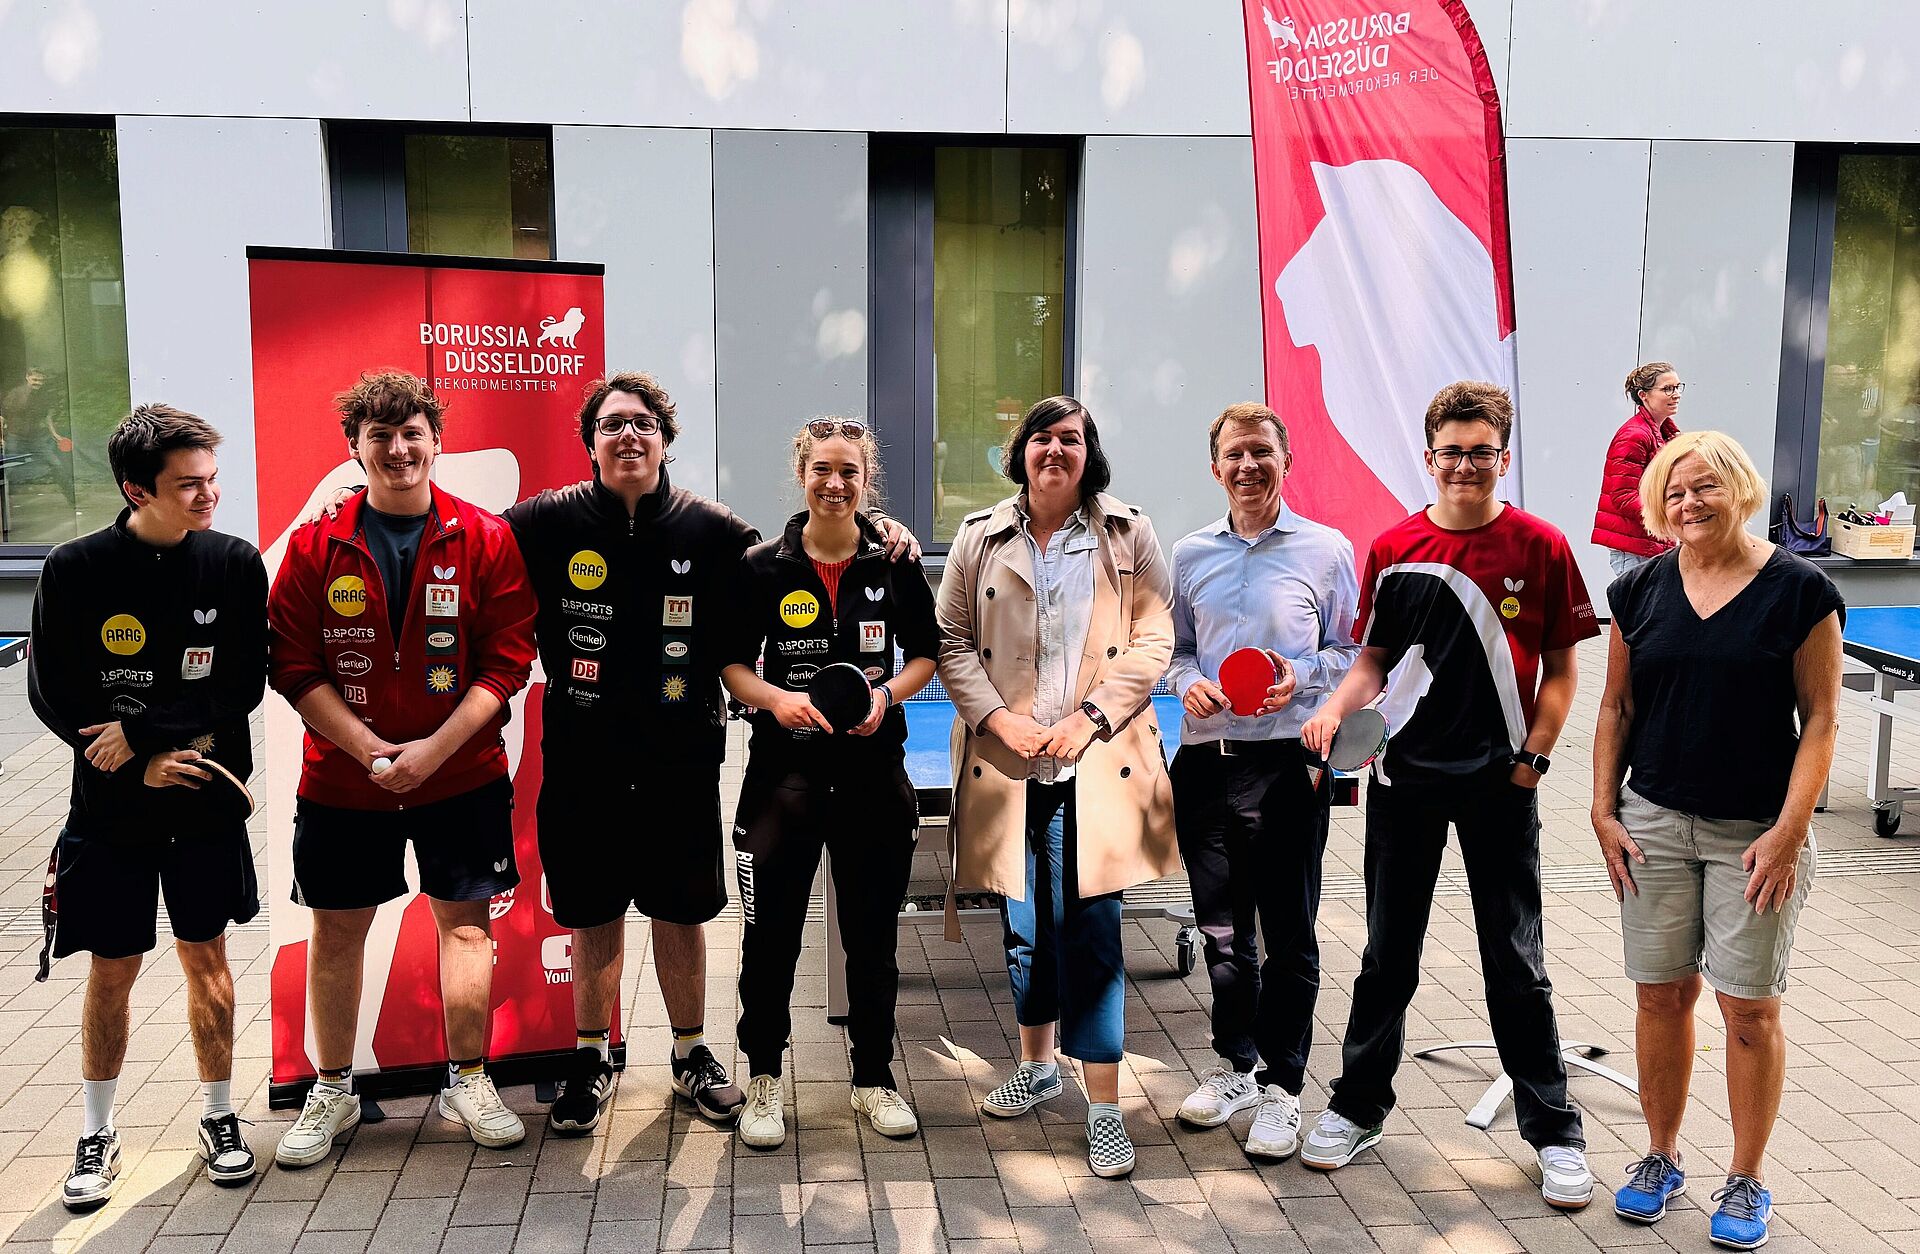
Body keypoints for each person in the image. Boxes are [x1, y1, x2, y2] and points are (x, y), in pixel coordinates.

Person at [303, 372, 923, 1138]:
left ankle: (691, 1054)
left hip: (681, 759)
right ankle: (591, 1058)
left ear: (665, 439)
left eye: (643, 424)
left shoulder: (714, 529)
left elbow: (802, 546)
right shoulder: (543, 520)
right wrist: (356, 501)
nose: (629, 436)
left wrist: (881, 527)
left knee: (680, 912)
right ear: (590, 441)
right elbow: (453, 526)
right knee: (593, 914)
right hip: (583, 758)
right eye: (612, 425)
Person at [1300, 381, 1599, 1210]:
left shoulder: (1541, 545)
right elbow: (1373, 660)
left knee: (1516, 961)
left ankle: (1554, 1132)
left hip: (1502, 785)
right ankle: (1357, 1108)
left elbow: (1565, 669)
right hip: (1404, 784)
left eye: (1481, 452)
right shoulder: (1395, 546)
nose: (1465, 465)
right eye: (1451, 452)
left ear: (1503, 456)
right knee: (1387, 957)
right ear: (1429, 458)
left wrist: (1534, 759)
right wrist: (1334, 710)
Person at [267, 370, 537, 1166]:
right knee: (336, 935)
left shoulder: (484, 537)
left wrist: (432, 751)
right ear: (354, 447)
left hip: (461, 776)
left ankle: (469, 1079)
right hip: (343, 780)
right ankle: (333, 1089)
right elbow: (292, 664)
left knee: (466, 929)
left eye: (412, 433)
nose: (397, 449)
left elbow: (507, 662)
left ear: (437, 442)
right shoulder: (315, 545)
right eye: (379, 436)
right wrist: (369, 749)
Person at [1592, 431, 1840, 1251]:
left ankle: (1746, 1176)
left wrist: (1791, 832)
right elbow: (1616, 707)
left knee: (1749, 1009)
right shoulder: (1638, 590)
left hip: (1755, 836)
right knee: (1661, 997)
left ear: (1739, 489)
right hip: (1653, 825)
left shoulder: (1800, 591)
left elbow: (1822, 720)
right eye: (1673, 491)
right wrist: (1602, 810)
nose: (1688, 503)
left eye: (1704, 487)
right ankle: (1661, 1156)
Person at [29, 405, 268, 1207]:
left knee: (208, 958)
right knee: (112, 968)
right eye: (188, 484)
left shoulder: (234, 563)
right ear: (137, 489)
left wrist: (144, 737)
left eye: (211, 479)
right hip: (111, 810)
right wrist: (137, 765)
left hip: (203, 798)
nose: (209, 496)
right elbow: (52, 692)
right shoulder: (73, 567)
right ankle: (96, 1133)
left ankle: (220, 1116)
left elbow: (240, 683)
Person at [937, 395, 1177, 1179]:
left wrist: (1090, 719)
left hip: (1095, 763)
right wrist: (999, 721)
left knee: (1093, 933)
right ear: (1022, 450)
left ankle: (1104, 1108)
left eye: (1070, 438)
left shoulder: (1129, 533)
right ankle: (1038, 1067)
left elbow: (1154, 639)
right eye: (1041, 437)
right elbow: (951, 641)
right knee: (1024, 929)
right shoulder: (979, 536)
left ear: (1087, 453)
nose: (1054, 450)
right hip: (1008, 763)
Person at [720, 418, 938, 1148]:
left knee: (872, 941)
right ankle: (763, 1080)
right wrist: (775, 700)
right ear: (802, 474)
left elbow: (926, 654)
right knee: (769, 940)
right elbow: (732, 665)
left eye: (849, 471)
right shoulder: (761, 566)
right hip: (782, 781)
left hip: (873, 779)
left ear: (866, 479)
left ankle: (873, 1080)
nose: (834, 483)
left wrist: (887, 697)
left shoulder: (894, 561)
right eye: (822, 469)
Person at [1166, 402, 1358, 1159]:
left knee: (1288, 937)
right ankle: (1237, 1068)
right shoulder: (1189, 554)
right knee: (1221, 934)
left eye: (1261, 452)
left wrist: (1299, 677)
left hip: (1286, 766)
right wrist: (1188, 683)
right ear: (1216, 468)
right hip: (1205, 766)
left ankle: (1284, 1087)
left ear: (1286, 462)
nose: (1248, 466)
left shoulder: (1327, 550)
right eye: (1234, 454)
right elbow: (1177, 651)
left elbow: (1352, 653)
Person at [1593, 362, 1683, 577]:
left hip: (1650, 543)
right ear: (1644, 395)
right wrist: (1667, 514)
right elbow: (1623, 496)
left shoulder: (1664, 434)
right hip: (1635, 548)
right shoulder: (1635, 435)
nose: (1676, 394)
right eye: (1667, 389)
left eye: (1678, 387)